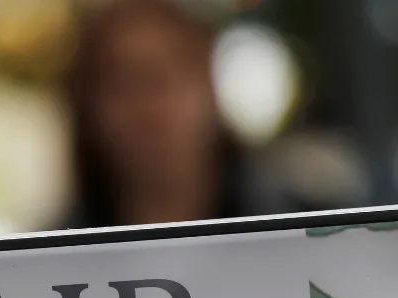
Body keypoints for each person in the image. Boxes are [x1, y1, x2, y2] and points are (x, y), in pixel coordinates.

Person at [61, 0, 292, 229]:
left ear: (209, 84)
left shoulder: (298, 229)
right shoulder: (58, 248)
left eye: (168, 78)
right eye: (123, 86)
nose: (151, 111)